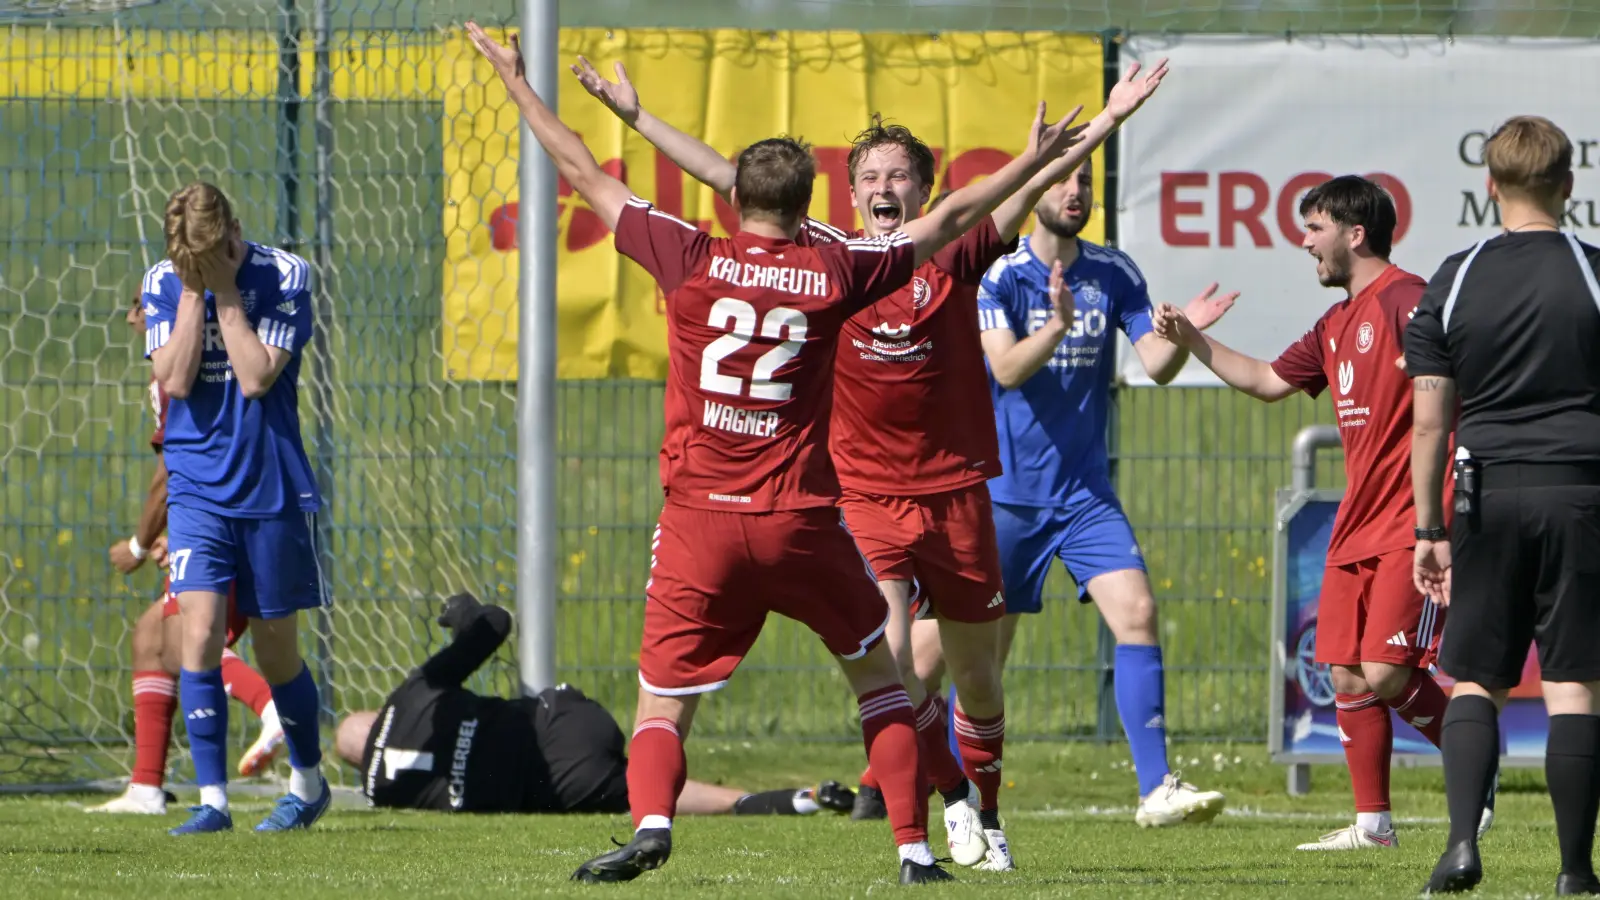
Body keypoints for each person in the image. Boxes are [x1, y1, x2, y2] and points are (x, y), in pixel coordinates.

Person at [465, 20, 1082, 885]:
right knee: (882, 681)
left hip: (700, 522)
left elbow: (578, 168)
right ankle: (914, 848)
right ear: (810, 206)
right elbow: (952, 216)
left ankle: (651, 824)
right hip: (801, 521)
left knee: (663, 703)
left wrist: (518, 82)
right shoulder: (836, 273)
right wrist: (1034, 160)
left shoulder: (690, 258)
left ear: (733, 199)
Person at [569, 54, 1169, 871]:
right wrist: (637, 118)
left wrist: (1110, 119)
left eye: (899, 175)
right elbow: (726, 176)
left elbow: (1024, 184)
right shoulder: (829, 257)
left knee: (978, 681)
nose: (885, 187)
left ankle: (985, 807)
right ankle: (938, 812)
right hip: (864, 500)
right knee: (895, 670)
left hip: (956, 494)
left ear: (923, 189)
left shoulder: (947, 252)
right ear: (850, 193)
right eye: (870, 177)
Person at [1153, 175, 1502, 852]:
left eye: (1314, 228)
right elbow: (1266, 381)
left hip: (1412, 522)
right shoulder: (1335, 323)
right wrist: (1193, 340)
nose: (1305, 242)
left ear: (1355, 233)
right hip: (1355, 524)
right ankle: (1373, 826)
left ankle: (1475, 763)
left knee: (1389, 672)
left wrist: (1444, 511)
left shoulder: (1410, 300)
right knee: (1345, 672)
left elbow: (1465, 388)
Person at [966, 152, 1232, 827]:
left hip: (1085, 497)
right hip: (1006, 498)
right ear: (1034, 188)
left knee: (1138, 612)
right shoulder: (1000, 275)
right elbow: (1006, 368)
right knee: (980, 667)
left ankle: (1157, 788)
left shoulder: (1114, 272)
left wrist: (1185, 332)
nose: (1076, 190)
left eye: (1084, 179)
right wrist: (1055, 325)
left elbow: (1156, 365)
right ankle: (962, 802)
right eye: (1062, 178)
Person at [1405, 116, 1600, 896]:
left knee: (1476, 678)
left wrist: (1429, 527)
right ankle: (1575, 870)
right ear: (1569, 185)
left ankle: (1460, 845)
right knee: (1573, 684)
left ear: (1490, 187)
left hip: (1482, 495)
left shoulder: (1455, 279)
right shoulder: (1592, 273)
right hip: (1580, 492)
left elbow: (1429, 421)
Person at [142, 182, 329, 835]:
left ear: (233, 233)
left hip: (269, 484)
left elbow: (254, 376)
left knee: (277, 655)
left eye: (205, 257)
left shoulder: (283, 274)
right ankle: (213, 802)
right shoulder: (164, 281)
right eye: (187, 261)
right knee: (196, 635)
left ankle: (308, 785)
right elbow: (174, 378)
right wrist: (193, 290)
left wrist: (222, 289)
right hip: (196, 486)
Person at [337, 593, 856, 818]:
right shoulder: (412, 696)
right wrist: (464, 615)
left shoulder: (383, 793)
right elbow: (496, 623)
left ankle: (781, 801)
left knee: (640, 796)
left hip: (562, 785)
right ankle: (792, 795)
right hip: (565, 725)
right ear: (372, 715)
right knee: (654, 716)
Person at [89, 295, 284, 815]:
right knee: (153, 636)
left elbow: (172, 467)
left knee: (186, 636)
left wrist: (139, 543)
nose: (131, 316)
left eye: (138, 304)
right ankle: (146, 787)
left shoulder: (179, 370)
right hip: (229, 511)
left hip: (222, 520)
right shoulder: (186, 364)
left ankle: (271, 709)